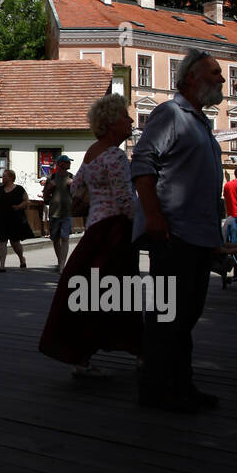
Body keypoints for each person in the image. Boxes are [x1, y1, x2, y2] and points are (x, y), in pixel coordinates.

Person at [130, 49, 225, 412]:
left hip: (197, 236)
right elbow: (142, 163)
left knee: (185, 315)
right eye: (214, 73)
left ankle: (179, 384)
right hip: (173, 234)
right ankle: (157, 390)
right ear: (190, 79)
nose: (220, 79)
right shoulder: (170, 113)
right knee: (166, 315)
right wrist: (153, 215)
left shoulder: (200, 121)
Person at [39, 95, 142, 377]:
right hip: (117, 231)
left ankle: (81, 357)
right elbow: (124, 199)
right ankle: (142, 353)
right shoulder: (116, 155)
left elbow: (77, 190)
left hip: (95, 230)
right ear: (111, 124)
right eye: (125, 116)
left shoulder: (92, 153)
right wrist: (144, 228)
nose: (130, 121)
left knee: (90, 294)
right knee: (124, 293)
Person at [0, 169, 31, 270]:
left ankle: (21, 258)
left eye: (4, 176)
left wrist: (19, 206)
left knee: (15, 242)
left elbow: (26, 201)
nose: (2, 178)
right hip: (1, 218)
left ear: (11, 178)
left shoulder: (19, 189)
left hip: (15, 219)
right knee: (2, 241)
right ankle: (2, 265)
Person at [43, 155, 74, 273]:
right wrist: (50, 187)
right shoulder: (52, 177)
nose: (69, 164)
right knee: (55, 239)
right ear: (60, 164)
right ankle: (60, 261)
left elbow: (77, 194)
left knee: (65, 238)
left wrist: (73, 186)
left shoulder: (71, 177)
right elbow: (45, 196)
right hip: (54, 211)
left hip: (67, 211)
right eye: (67, 162)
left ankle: (62, 265)